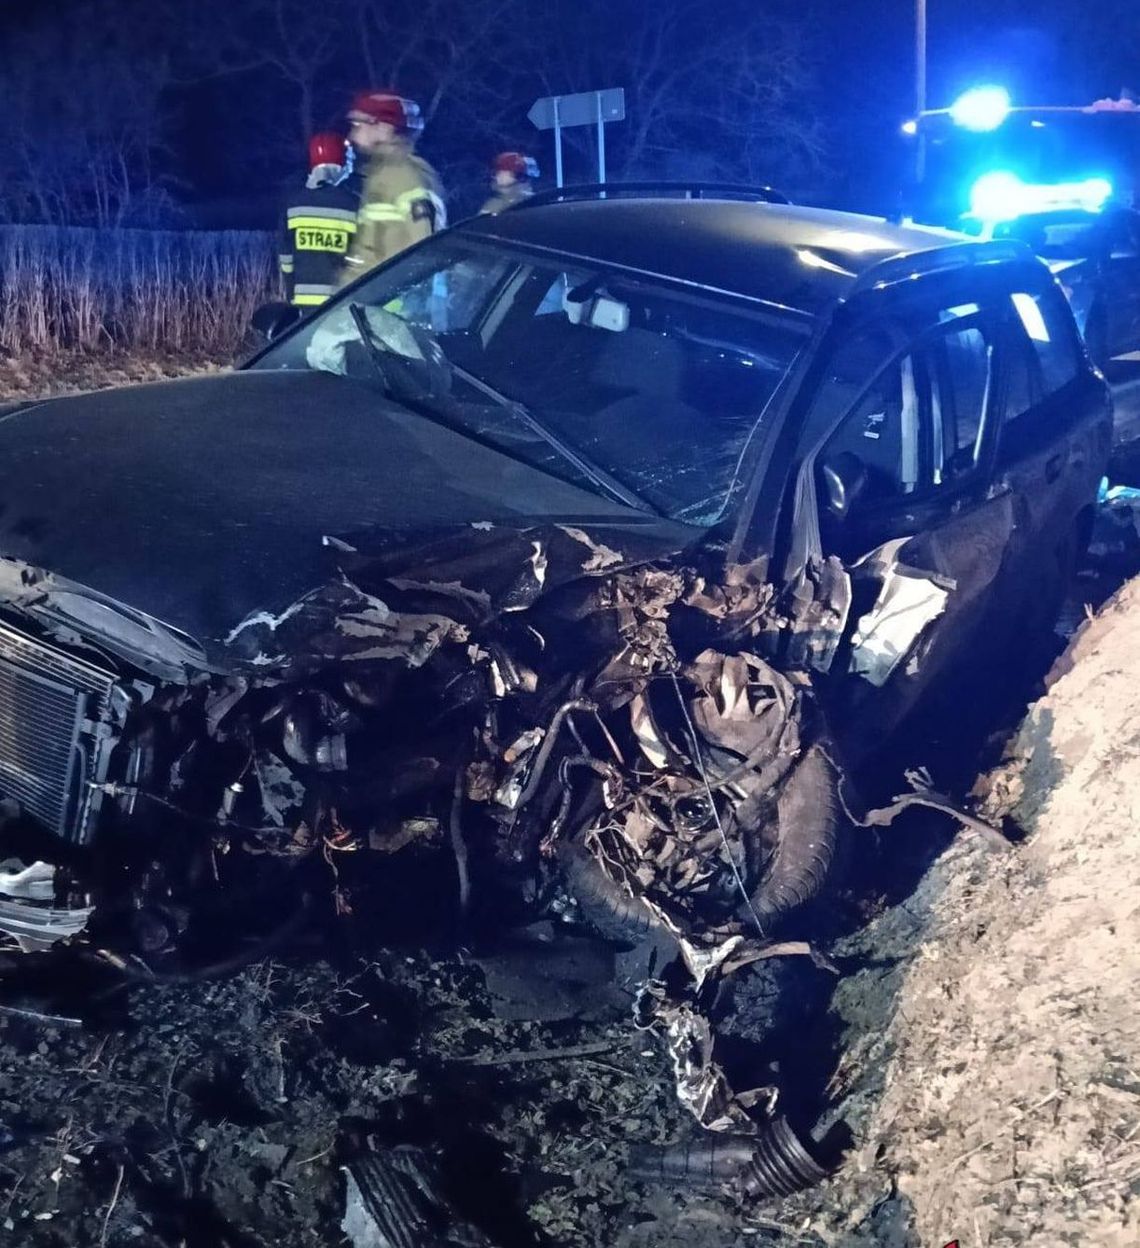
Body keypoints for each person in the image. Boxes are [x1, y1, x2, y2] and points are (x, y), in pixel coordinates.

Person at [339, 90, 446, 283]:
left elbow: (423, 255)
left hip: (388, 308)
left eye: (358, 125)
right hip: (366, 304)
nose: (352, 135)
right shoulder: (381, 175)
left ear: (384, 128)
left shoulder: (407, 178)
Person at [279, 132, 360, 308]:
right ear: (340, 162)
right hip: (341, 304)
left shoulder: (293, 206)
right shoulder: (354, 205)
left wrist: (291, 294)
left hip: (303, 305)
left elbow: (286, 259)